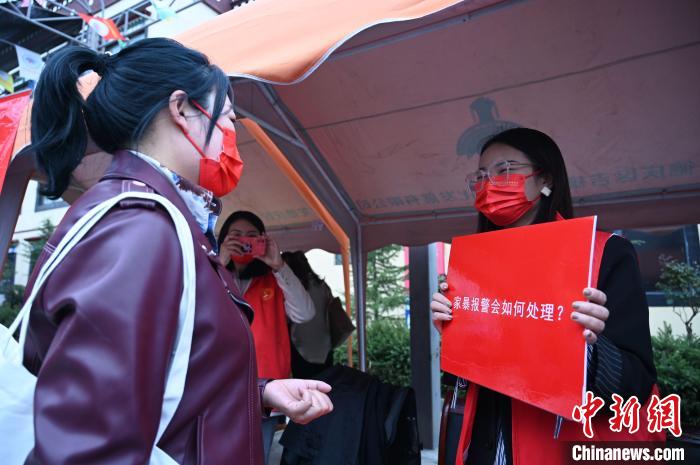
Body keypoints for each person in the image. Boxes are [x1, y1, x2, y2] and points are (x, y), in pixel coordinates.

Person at [24, 38, 332, 465]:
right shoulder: (140, 228)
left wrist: (260, 392)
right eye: (227, 118)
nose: (230, 135)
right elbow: (90, 446)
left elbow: (166, 377)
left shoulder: (163, 220)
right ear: (182, 109)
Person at [430, 128, 660, 465]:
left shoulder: (604, 253)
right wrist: (453, 333)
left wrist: (588, 347)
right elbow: (463, 380)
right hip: (484, 443)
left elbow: (636, 384)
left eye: (505, 170)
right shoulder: (474, 265)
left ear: (545, 179)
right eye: (481, 176)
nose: (489, 185)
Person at [217, 212, 316, 464]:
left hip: (267, 392)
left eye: (252, 236)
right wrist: (218, 262)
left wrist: (279, 265)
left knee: (256, 457)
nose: (244, 241)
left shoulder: (275, 279)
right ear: (223, 239)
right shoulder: (213, 274)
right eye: (236, 236)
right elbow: (193, 309)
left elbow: (305, 314)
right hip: (219, 389)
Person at [282, 251, 335, 379]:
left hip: (300, 345)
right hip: (324, 345)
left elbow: (285, 318)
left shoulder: (292, 290)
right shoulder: (322, 286)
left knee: (304, 386)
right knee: (325, 383)